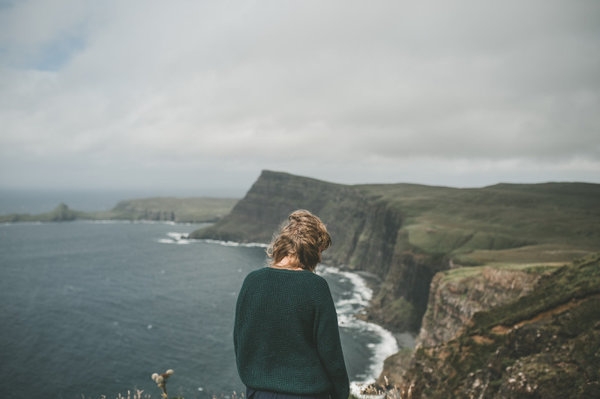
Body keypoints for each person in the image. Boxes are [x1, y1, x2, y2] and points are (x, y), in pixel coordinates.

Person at [234, 210, 350, 399]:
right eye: (320, 250)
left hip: (258, 394)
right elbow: (331, 354)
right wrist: (341, 394)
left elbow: (240, 341)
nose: (320, 258)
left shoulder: (252, 281)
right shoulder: (315, 286)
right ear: (311, 249)